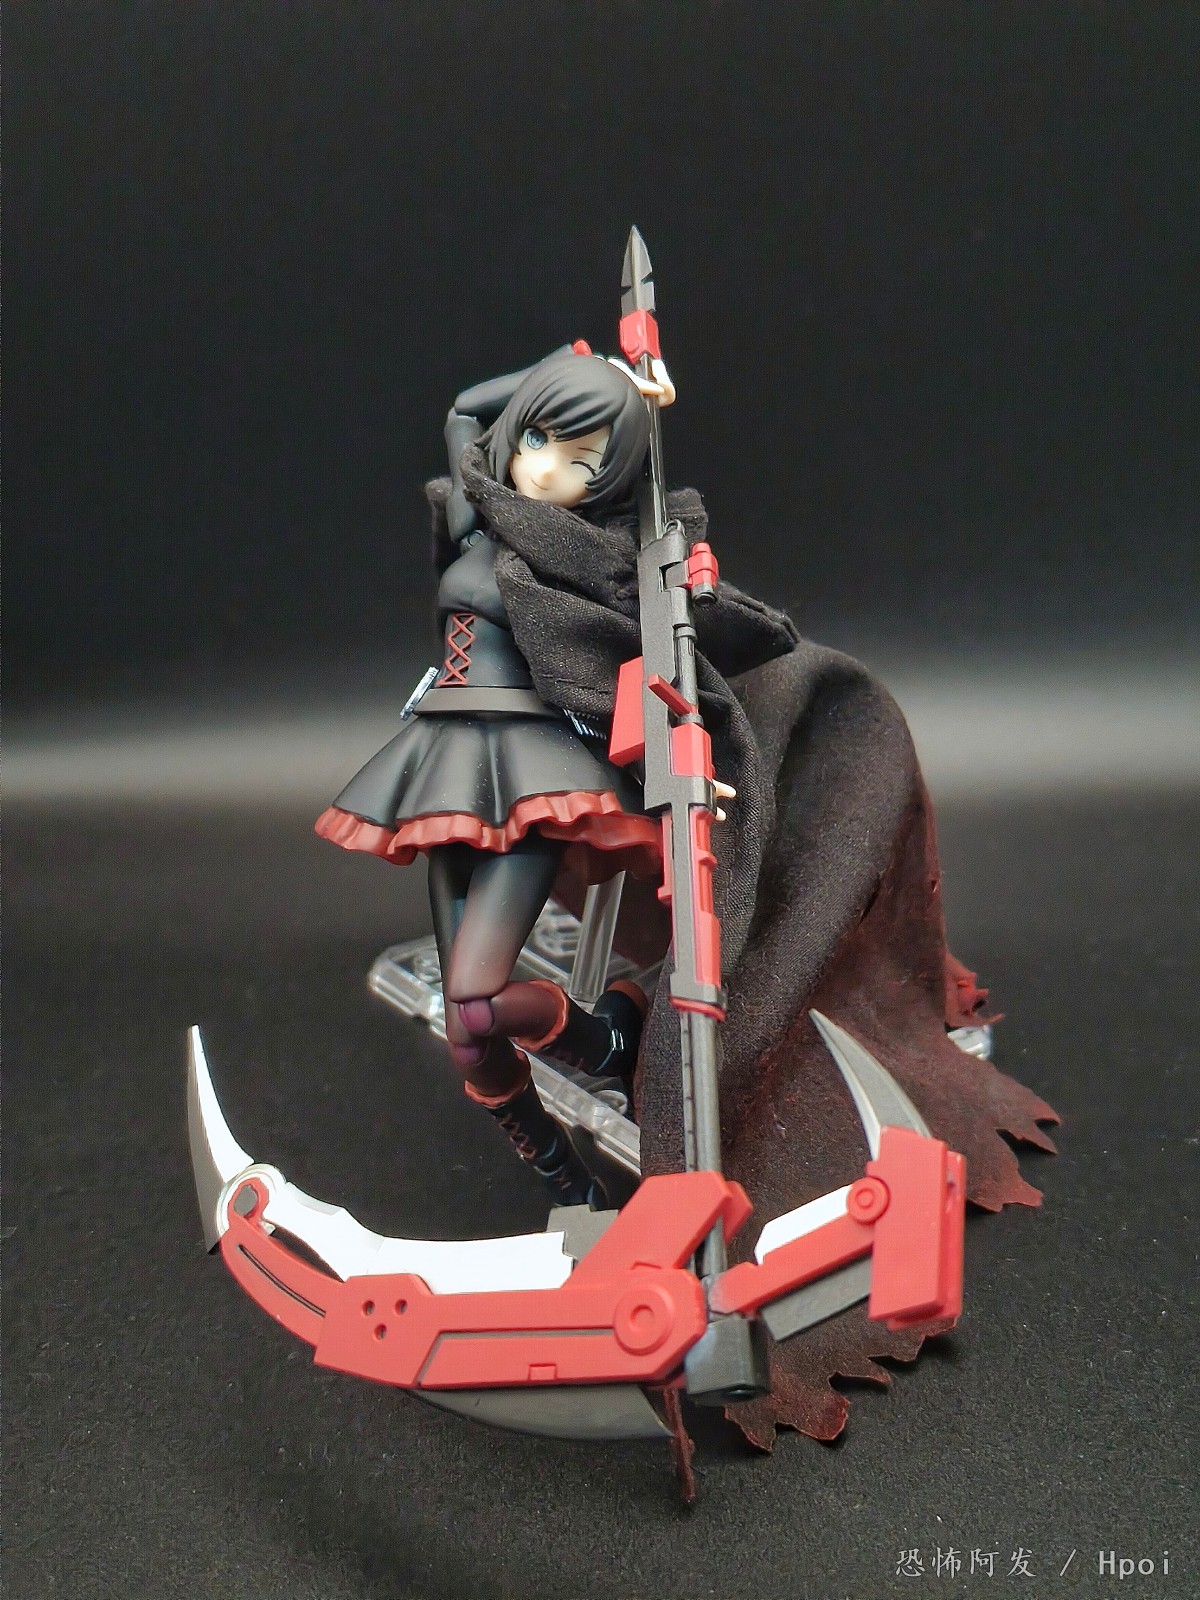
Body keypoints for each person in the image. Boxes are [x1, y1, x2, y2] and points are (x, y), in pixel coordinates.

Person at [316, 347, 679, 1207]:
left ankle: (612, 1042)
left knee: (478, 1001)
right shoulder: (477, 514)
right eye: (540, 438)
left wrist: (633, 407)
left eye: (582, 462)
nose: (546, 469)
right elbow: (464, 409)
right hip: (441, 759)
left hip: (526, 765)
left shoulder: (582, 551)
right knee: (466, 1035)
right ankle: (567, 1179)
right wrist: (587, 367)